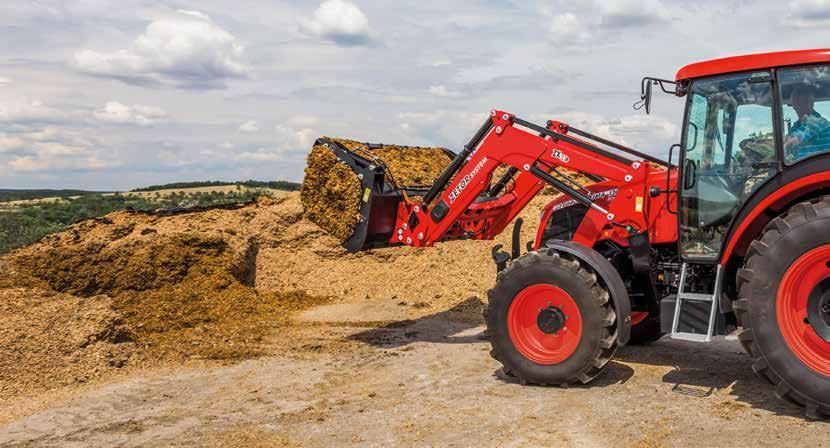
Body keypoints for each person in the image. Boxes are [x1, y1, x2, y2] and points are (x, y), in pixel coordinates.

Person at [784, 84, 830, 160]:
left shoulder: (817, 122)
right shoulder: (797, 126)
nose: (807, 105)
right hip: (804, 166)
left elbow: (792, 142)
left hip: (820, 166)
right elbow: (789, 151)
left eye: (808, 101)